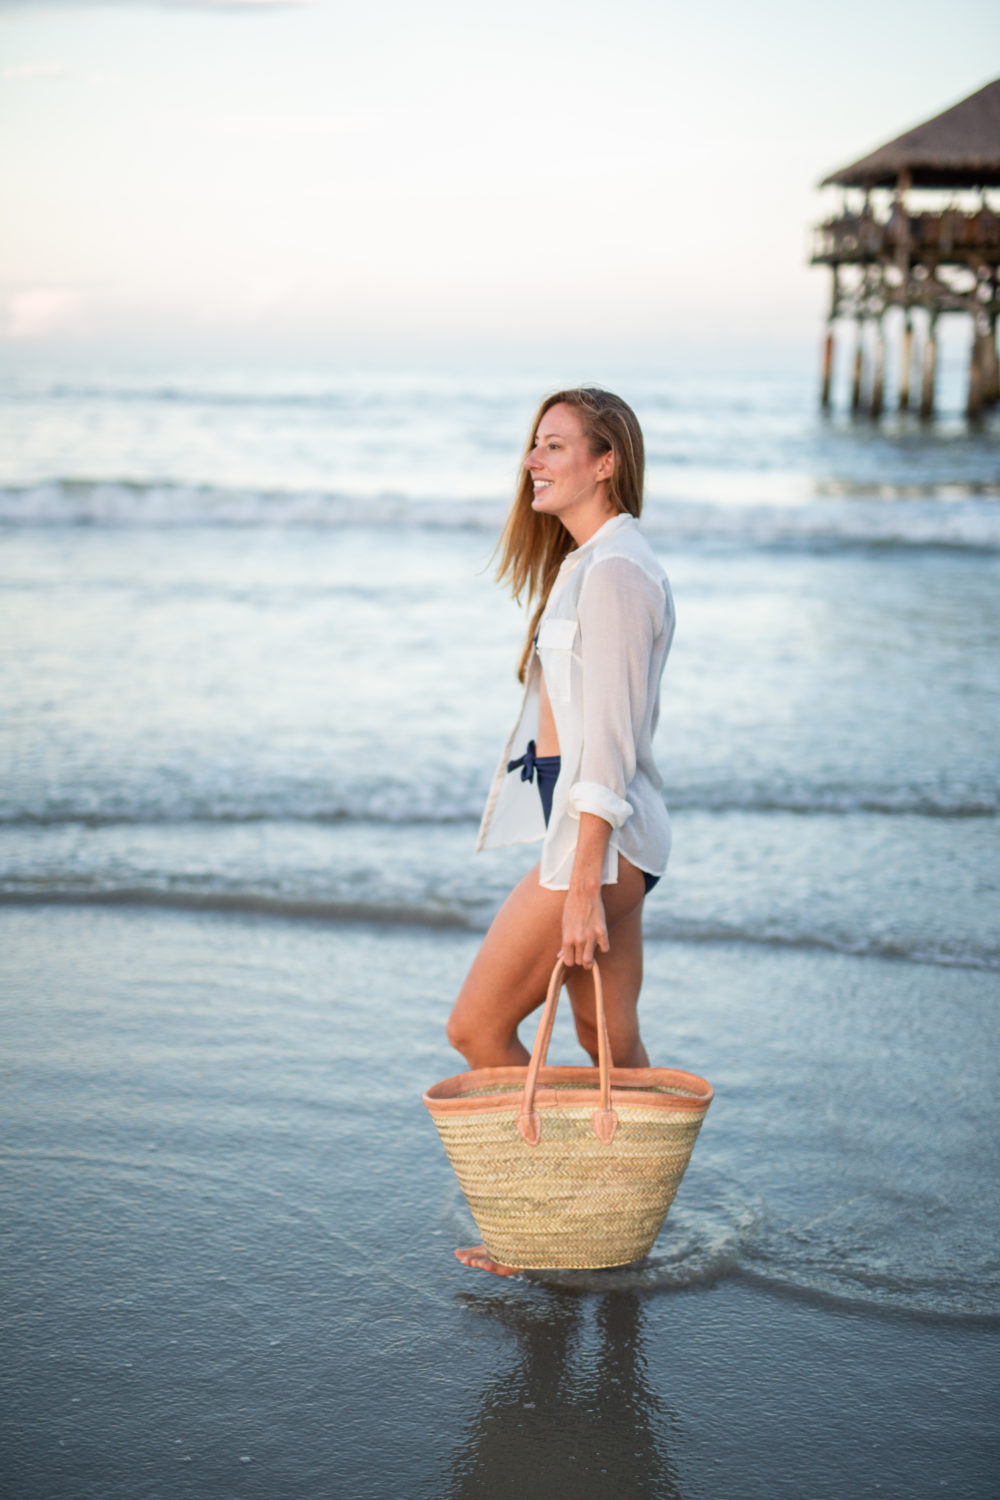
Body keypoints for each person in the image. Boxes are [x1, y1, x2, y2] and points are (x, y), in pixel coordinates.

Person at [446, 387, 676, 1276]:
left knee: (477, 1027)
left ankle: (541, 1226)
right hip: (615, 843)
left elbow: (607, 744)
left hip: (600, 846)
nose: (533, 462)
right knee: (608, 1043)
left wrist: (582, 881)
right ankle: (614, 1228)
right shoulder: (600, 561)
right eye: (532, 447)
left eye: (553, 446)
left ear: (605, 461)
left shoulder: (616, 572)